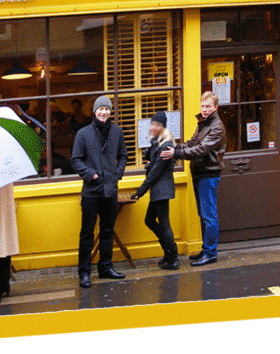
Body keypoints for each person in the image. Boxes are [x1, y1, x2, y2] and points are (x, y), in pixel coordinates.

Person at [161, 91, 226, 266]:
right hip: (200, 173)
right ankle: (206, 249)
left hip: (208, 175)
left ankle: (210, 253)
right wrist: (174, 147)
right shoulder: (203, 124)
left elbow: (201, 149)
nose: (204, 109)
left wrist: (177, 153)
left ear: (215, 107)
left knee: (209, 216)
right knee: (203, 215)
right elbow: (192, 144)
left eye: (208, 106)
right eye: (203, 106)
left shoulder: (217, 127)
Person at [71, 95, 128, 288]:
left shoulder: (117, 132)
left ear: (110, 111)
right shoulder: (83, 133)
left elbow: (123, 155)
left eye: (107, 109)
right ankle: (84, 272)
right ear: (95, 111)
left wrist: (116, 174)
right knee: (87, 233)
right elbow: (76, 159)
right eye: (100, 109)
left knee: (107, 231)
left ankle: (105, 267)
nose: (104, 112)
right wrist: (90, 174)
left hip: (110, 189)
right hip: (91, 191)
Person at [130, 111, 179, 269]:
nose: (153, 127)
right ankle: (168, 251)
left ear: (163, 126)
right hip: (158, 189)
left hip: (162, 189)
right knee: (150, 221)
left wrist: (140, 191)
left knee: (164, 224)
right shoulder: (158, 142)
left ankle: (173, 257)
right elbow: (152, 161)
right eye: (152, 124)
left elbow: (155, 172)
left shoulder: (166, 144)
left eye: (157, 125)